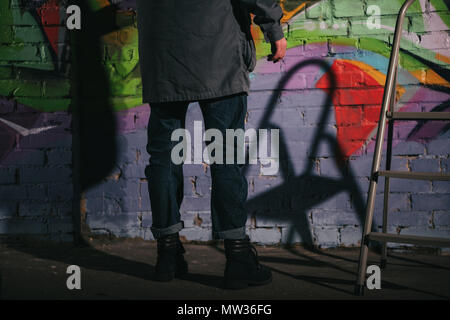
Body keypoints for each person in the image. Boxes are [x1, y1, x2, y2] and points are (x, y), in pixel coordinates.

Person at [136, 0, 287, 289]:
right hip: (218, 49)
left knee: (164, 158)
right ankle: (238, 256)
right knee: (225, 155)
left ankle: (167, 253)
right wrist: (273, 27)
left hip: (162, 51)